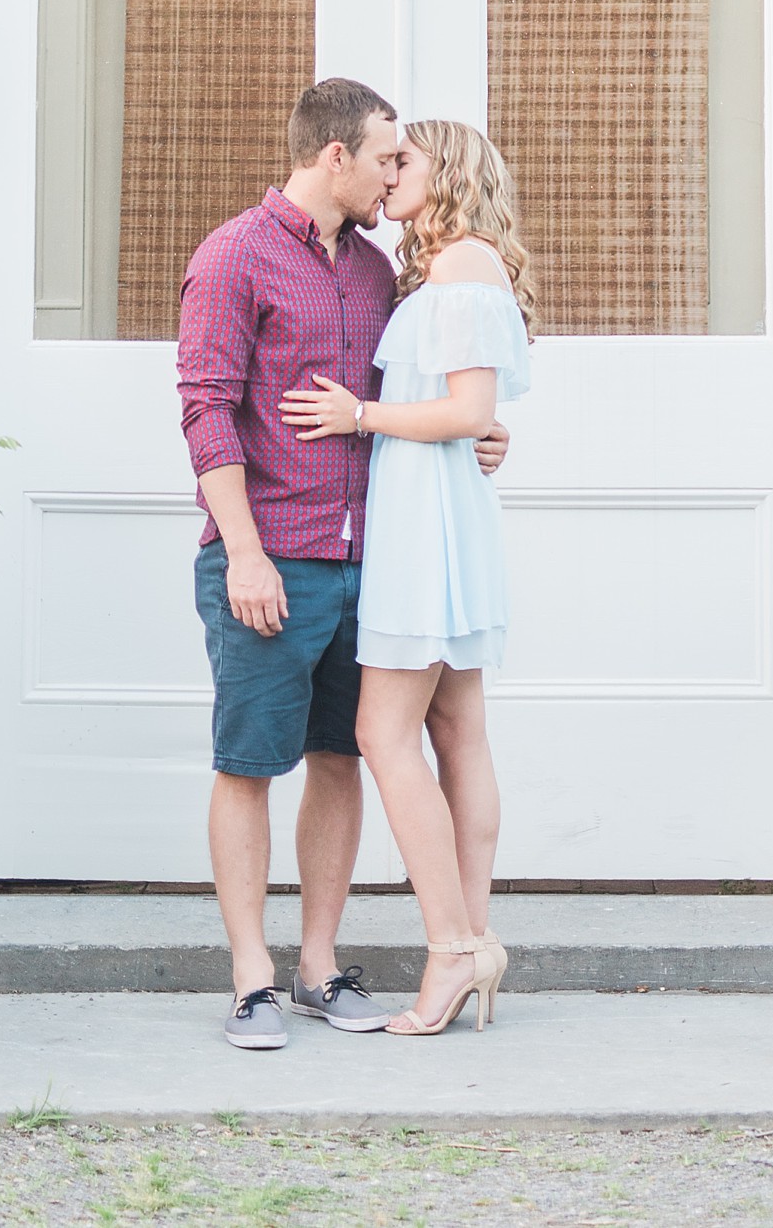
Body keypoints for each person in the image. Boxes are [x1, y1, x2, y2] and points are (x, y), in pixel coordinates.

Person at [176, 77, 510, 1052]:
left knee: (343, 755)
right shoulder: (232, 256)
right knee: (247, 763)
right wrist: (242, 549)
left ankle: (318, 964)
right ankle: (250, 975)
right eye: (382, 156)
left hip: (374, 563)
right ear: (335, 156)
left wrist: (483, 435)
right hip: (268, 557)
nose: (390, 172)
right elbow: (203, 410)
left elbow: (427, 396)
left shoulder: (375, 272)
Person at [279, 118, 533, 1037]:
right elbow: (471, 412)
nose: (390, 175)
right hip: (440, 509)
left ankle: (454, 951)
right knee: (458, 731)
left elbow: (467, 405)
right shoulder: (441, 268)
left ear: (449, 172)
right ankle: (476, 938)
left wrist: (359, 415)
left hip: (426, 528)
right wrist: (473, 427)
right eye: (385, 160)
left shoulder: (461, 265)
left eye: (405, 160)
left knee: (382, 735)